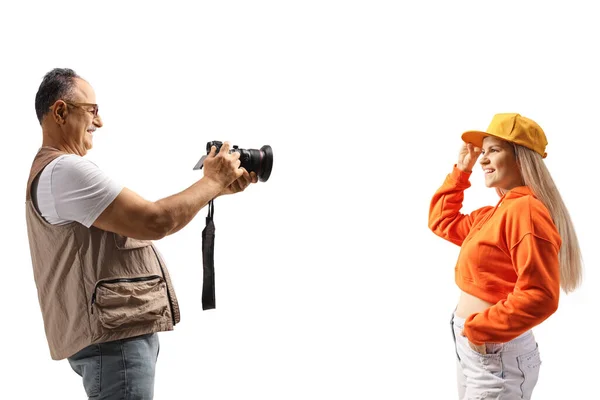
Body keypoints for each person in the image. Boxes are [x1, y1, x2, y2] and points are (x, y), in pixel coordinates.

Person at [25, 68, 258, 399]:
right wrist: (212, 181)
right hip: (115, 342)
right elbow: (155, 220)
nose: (100, 122)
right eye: (92, 110)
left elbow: (155, 218)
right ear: (61, 111)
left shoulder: (52, 173)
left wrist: (213, 189)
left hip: (112, 337)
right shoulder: (64, 170)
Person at [428, 113, 582, 399]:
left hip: (494, 350)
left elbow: (540, 296)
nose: (483, 159)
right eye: (483, 151)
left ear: (521, 158)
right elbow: (442, 221)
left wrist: (479, 329)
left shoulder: (525, 211)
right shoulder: (495, 213)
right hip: (479, 347)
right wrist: (462, 170)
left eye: (494, 150)